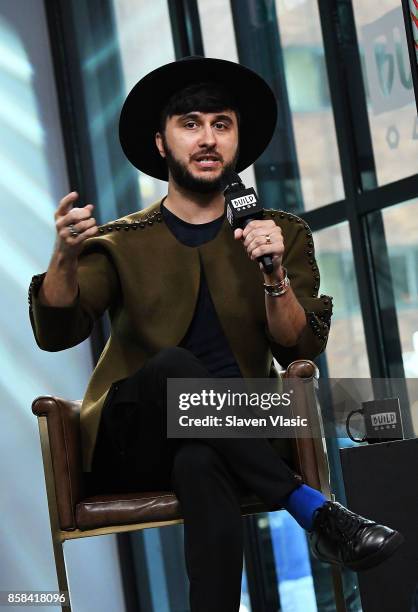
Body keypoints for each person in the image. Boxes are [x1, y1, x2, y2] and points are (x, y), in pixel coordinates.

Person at [29, 57, 403, 611]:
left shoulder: (280, 233)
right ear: (162, 142)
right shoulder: (120, 241)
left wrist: (273, 275)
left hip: (237, 429)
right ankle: (314, 511)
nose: (207, 139)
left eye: (221, 124)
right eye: (190, 124)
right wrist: (63, 259)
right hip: (135, 436)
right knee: (170, 366)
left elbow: (300, 347)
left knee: (201, 459)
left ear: (237, 140)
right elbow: (58, 332)